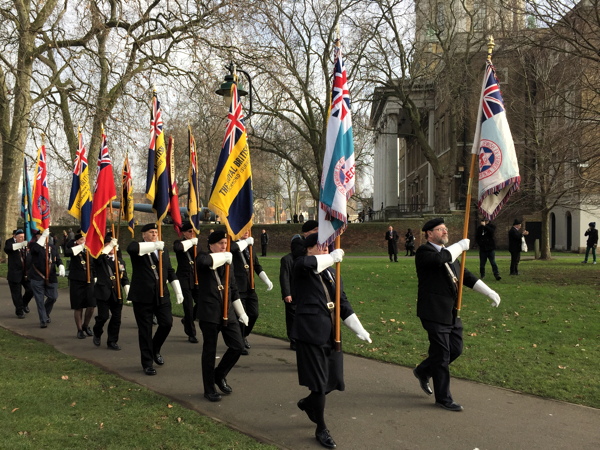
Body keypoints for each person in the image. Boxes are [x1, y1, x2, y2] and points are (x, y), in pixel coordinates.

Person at [293, 233, 372, 449]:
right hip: (310, 333)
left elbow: (342, 303)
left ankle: (309, 403)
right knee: (319, 384)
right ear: (309, 248)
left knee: (334, 380)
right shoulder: (301, 266)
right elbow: (310, 263)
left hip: (331, 332)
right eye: (322, 246)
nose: (326, 249)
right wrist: (333, 257)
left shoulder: (331, 271)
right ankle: (321, 428)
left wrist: (359, 328)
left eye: (328, 246)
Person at [413, 218, 501, 412]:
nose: (445, 232)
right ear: (429, 234)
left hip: (452, 312)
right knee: (442, 354)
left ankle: (423, 370)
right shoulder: (424, 252)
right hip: (433, 312)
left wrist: (489, 292)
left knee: (455, 349)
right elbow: (439, 259)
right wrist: (460, 245)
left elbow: (465, 276)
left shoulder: (450, 256)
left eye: (445, 229)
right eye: (440, 229)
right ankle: (443, 398)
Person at [195, 230, 248, 402]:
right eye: (220, 243)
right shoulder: (203, 257)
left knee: (237, 346)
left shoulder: (228, 262)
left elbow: (233, 289)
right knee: (209, 351)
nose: (224, 246)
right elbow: (204, 262)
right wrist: (224, 257)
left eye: (226, 243)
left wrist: (241, 312)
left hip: (228, 311)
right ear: (211, 245)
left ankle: (219, 374)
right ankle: (209, 388)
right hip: (209, 312)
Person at [127, 223, 184, 376]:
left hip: (161, 294)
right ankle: (147, 363)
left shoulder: (163, 249)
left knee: (167, 323)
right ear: (144, 235)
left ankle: (155, 348)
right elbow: (132, 249)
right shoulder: (137, 247)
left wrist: (177, 290)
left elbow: (170, 270)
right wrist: (154, 246)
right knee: (145, 330)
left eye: (156, 232)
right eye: (151, 232)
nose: (154, 234)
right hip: (142, 296)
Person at [231, 231, 273, 354]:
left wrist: (266, 280)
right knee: (241, 316)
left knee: (253, 314)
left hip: (250, 287)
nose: (247, 232)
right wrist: (245, 242)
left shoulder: (250, 246)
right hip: (238, 288)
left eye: (248, 230)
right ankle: (239, 342)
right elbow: (231, 249)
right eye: (243, 230)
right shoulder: (232, 244)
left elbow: (256, 265)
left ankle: (243, 335)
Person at [92, 235, 130, 350]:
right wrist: (109, 246)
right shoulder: (100, 258)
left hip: (116, 292)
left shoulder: (120, 261)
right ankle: (97, 332)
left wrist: (128, 291)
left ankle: (112, 341)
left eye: (113, 245)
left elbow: (124, 277)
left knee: (116, 318)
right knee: (103, 317)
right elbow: (98, 259)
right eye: (108, 245)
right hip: (103, 292)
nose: (111, 248)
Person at [29, 228, 66, 327]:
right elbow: (35, 250)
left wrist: (61, 265)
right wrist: (43, 237)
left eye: (46, 235)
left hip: (51, 276)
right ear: (37, 236)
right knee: (39, 299)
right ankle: (43, 320)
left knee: (53, 297)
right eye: (41, 235)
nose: (45, 237)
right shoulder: (33, 245)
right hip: (37, 276)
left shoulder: (52, 247)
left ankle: (45, 313)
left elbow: (57, 259)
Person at [65, 233, 96, 339]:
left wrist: (94, 276)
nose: (85, 241)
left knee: (91, 305)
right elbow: (67, 252)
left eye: (86, 240)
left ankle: (85, 326)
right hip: (77, 281)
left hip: (89, 280)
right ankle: (79, 329)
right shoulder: (74, 249)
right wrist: (80, 246)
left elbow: (94, 264)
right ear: (77, 241)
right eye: (82, 239)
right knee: (78, 306)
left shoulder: (90, 250)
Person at [173, 222, 201, 343]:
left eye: (194, 231)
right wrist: (191, 242)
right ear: (184, 233)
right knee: (188, 306)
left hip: (196, 278)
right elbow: (178, 248)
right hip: (184, 278)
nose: (192, 233)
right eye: (190, 231)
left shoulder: (198, 245)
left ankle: (187, 319)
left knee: (202, 302)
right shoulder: (178, 243)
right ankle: (191, 333)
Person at [4, 228, 33, 318]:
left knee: (31, 290)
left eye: (23, 237)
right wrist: (19, 245)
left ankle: (24, 304)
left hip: (26, 272)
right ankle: (19, 310)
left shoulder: (26, 244)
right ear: (15, 237)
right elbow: (8, 249)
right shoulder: (9, 242)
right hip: (15, 273)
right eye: (20, 237)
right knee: (17, 293)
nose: (22, 238)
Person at [279, 251, 296, 350]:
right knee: (292, 319)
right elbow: (284, 277)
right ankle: (293, 341)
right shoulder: (287, 259)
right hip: (291, 294)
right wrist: (287, 294)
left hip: (302, 294)